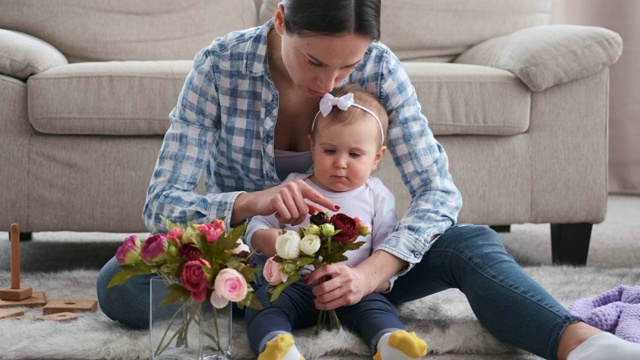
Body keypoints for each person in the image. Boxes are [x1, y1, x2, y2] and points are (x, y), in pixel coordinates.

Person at [95, 1, 640, 359]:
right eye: (314, 61)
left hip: (362, 268)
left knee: (473, 242)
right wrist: (249, 202)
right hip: (247, 264)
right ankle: (272, 306)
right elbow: (163, 204)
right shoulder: (218, 67)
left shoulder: (381, 66)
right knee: (120, 281)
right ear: (282, 19)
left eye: (347, 68)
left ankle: (582, 344)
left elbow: (438, 191)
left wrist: (375, 270)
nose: (328, 82)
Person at [244, 84, 427, 360]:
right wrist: (265, 238)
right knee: (264, 304)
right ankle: (277, 346)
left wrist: (371, 282)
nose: (341, 163)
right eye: (330, 151)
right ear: (313, 147)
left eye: (354, 154)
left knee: (378, 310)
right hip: (297, 285)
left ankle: (391, 342)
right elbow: (257, 224)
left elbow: (387, 251)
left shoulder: (377, 196)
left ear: (377, 157)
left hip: (353, 288)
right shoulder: (295, 184)